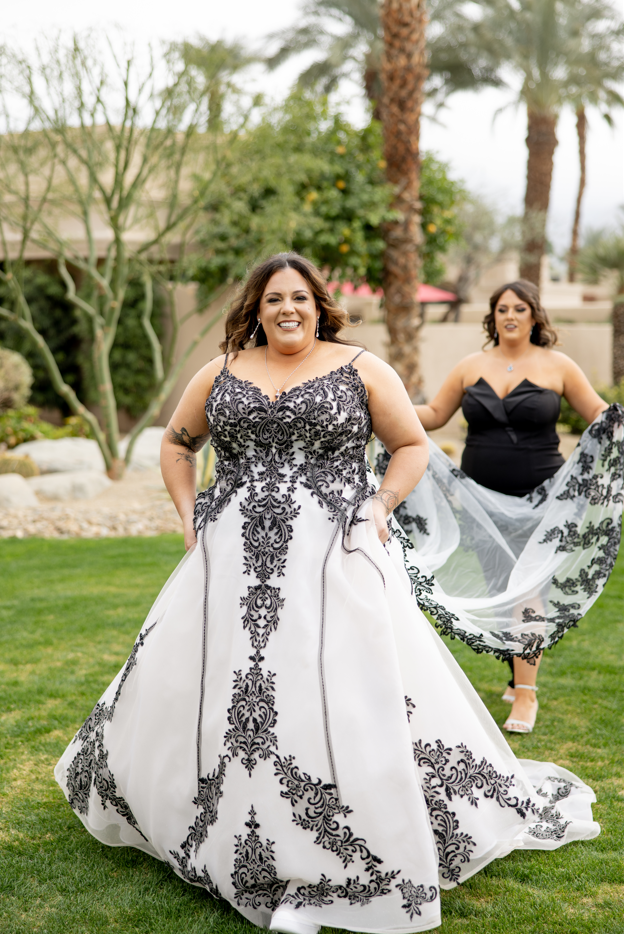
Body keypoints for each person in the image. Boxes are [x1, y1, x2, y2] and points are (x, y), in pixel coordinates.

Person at [55, 257, 600, 934]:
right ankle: (223, 819)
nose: (288, 308)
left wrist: (383, 502)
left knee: (339, 685)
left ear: (320, 305)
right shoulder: (220, 370)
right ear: (256, 307)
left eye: (301, 297)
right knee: (230, 686)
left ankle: (344, 828)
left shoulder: (362, 366)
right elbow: (175, 444)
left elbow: (409, 445)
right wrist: (187, 513)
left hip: (335, 555)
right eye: (274, 298)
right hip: (233, 559)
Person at [408, 279, 620, 735]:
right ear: (493, 316)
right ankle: (516, 673)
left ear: (534, 316)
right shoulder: (471, 366)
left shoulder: (557, 365)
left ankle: (526, 694)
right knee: (498, 586)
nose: (510, 315)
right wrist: (388, 409)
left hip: (543, 500)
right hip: (480, 501)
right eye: (502, 308)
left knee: (527, 591)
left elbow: (599, 416)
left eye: (519, 309)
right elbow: (436, 415)